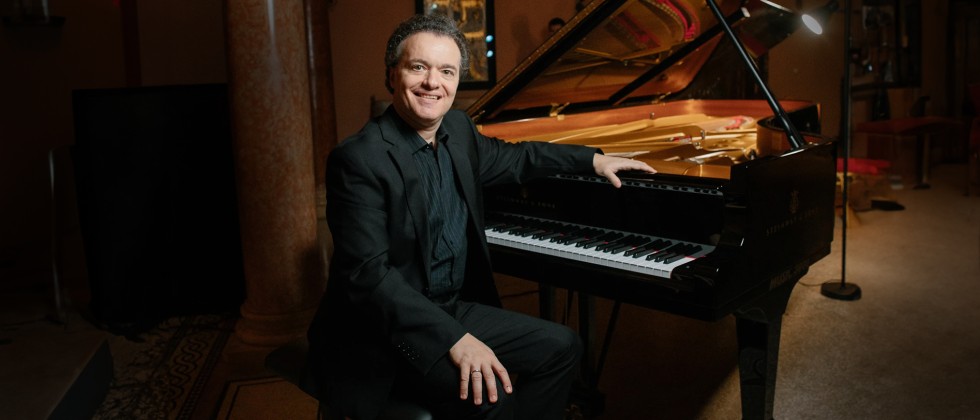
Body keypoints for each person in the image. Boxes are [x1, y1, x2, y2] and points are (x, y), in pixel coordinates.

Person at [307, 14, 655, 420]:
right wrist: (453, 339)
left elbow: (519, 157)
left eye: (446, 71)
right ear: (392, 75)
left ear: (456, 81)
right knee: (492, 399)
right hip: (387, 330)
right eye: (418, 67)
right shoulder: (359, 159)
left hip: (450, 306)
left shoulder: (457, 129)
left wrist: (592, 159)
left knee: (563, 346)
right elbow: (368, 278)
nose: (432, 83)